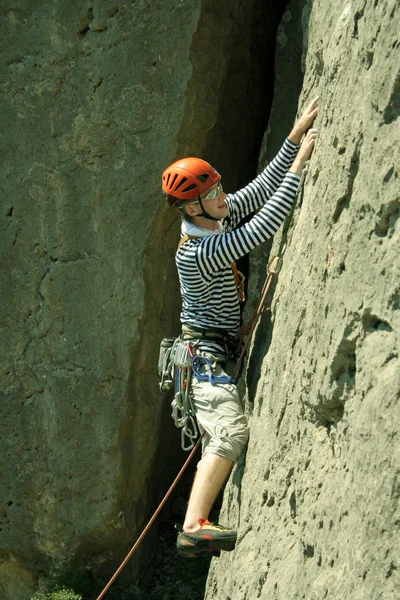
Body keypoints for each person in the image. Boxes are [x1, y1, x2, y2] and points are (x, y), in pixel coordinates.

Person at [161, 98, 318, 558]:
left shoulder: (212, 215)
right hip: (203, 361)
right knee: (229, 433)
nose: (222, 195)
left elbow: (256, 192)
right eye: (212, 193)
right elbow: (263, 225)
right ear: (192, 209)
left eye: (218, 186)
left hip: (214, 352)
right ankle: (193, 525)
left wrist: (292, 138)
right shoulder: (198, 252)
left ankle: (195, 519)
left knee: (225, 433)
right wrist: (304, 163)